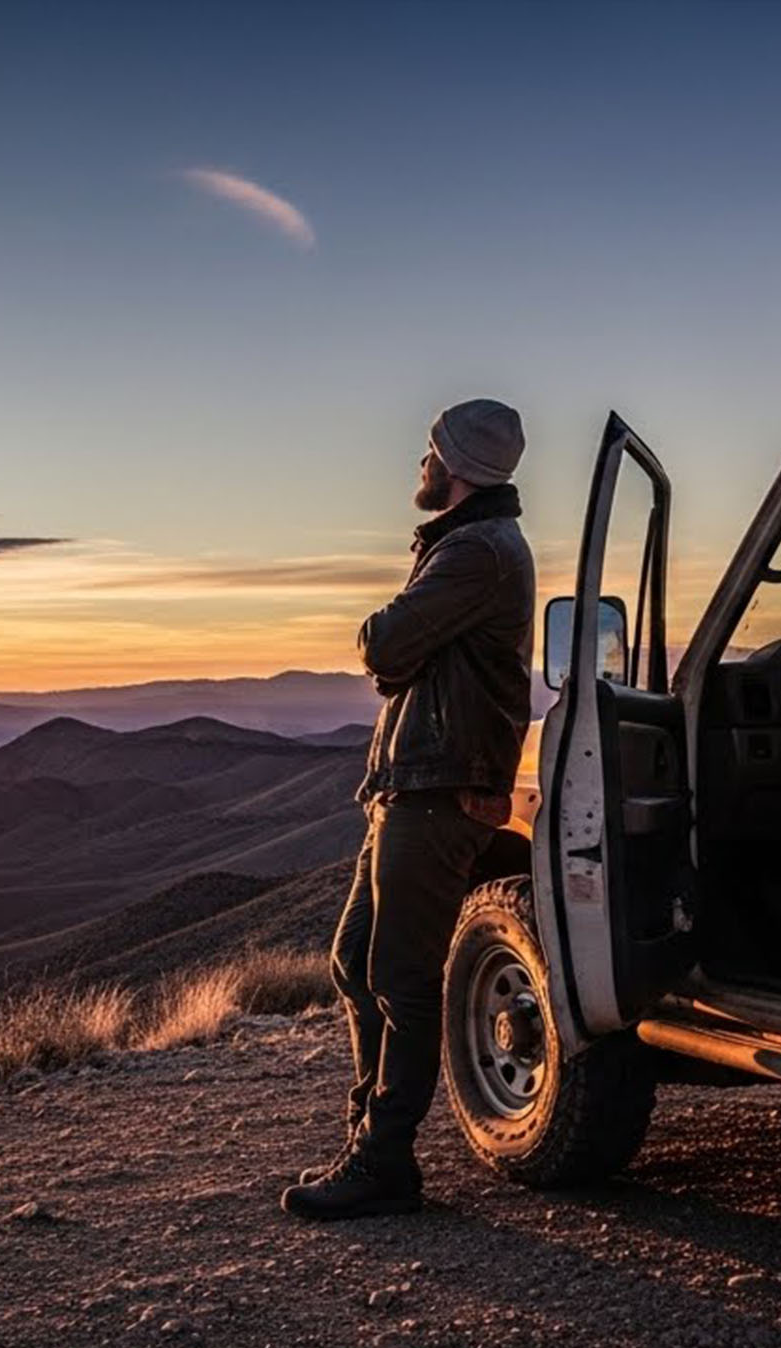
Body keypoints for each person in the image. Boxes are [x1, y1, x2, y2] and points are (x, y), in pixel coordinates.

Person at [281, 398, 535, 1221]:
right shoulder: (463, 548)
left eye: (428, 454)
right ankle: (370, 1140)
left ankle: (384, 1158)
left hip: (438, 788)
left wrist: (386, 647)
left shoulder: (478, 554)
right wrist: (399, 657)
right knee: (354, 963)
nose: (419, 468)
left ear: (455, 463)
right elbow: (406, 663)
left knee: (399, 977)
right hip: (407, 782)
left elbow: (384, 646)